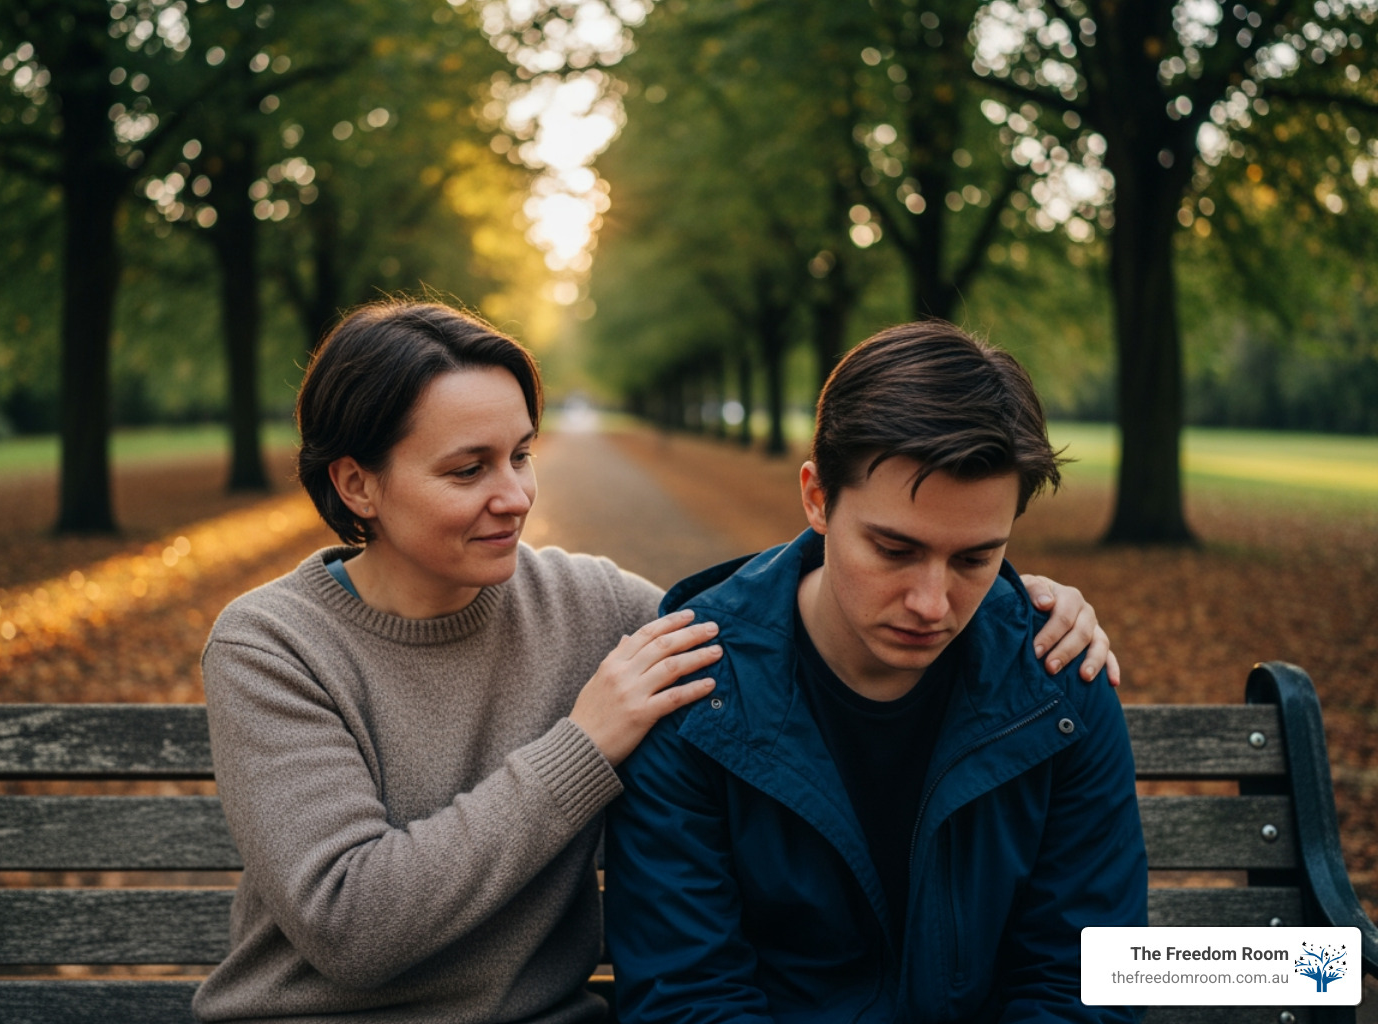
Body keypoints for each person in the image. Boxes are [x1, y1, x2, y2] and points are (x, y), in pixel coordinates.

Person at [193, 300, 1120, 1024]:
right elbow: (350, 924)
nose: (515, 496)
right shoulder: (273, 644)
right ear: (357, 482)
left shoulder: (607, 611)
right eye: (467, 469)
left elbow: (774, 616)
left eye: (521, 455)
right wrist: (581, 746)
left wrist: (1020, 604)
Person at [604, 322, 1148, 1024]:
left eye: (975, 559)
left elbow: (1083, 982)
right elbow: (688, 1000)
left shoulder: (1059, 680)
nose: (932, 603)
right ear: (817, 497)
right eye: (894, 549)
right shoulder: (694, 690)